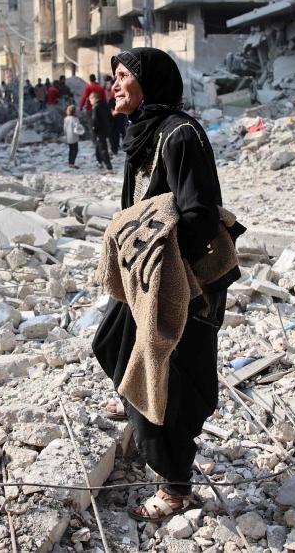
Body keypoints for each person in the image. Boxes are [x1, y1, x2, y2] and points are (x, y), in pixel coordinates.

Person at [93, 47, 239, 523]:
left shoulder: (179, 136)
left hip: (179, 281)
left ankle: (175, 485)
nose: (113, 85)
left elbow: (199, 213)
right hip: (149, 277)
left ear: (148, 83)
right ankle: (142, 416)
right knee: (112, 343)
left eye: (121, 76)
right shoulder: (145, 134)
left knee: (168, 374)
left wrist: (173, 276)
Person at [91, 91, 114, 174]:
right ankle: (100, 162)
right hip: (106, 129)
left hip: (99, 131)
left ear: (94, 99)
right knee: (98, 146)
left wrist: (94, 130)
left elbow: (95, 120)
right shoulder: (106, 105)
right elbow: (111, 117)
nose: (90, 102)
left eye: (91, 100)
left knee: (102, 148)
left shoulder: (96, 107)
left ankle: (109, 167)